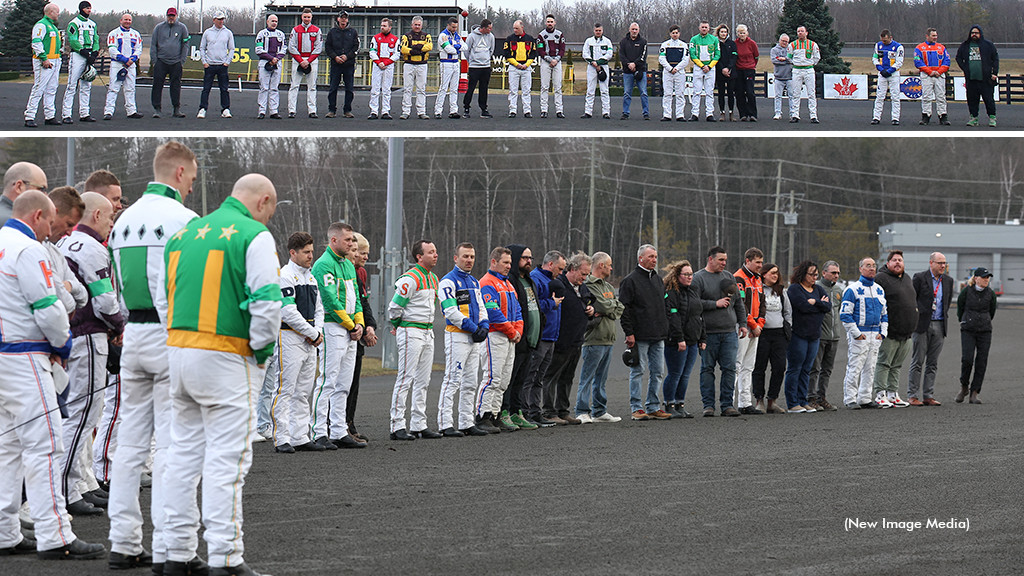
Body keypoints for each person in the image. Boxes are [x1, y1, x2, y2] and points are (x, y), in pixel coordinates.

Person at [161, 174, 280, 576]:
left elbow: (166, 296)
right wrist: (262, 352)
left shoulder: (185, 232)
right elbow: (267, 303)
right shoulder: (254, 235)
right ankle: (226, 558)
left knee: (181, 456)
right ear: (263, 202)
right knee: (227, 461)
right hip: (227, 357)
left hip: (179, 352)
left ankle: (176, 552)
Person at [106, 142, 200, 573]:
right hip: (168, 334)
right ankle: (170, 545)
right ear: (179, 174)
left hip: (133, 334)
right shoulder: (184, 221)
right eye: (194, 179)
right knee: (173, 444)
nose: (193, 187)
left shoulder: (121, 220)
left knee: (129, 443)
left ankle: (122, 542)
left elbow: (113, 286)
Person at [0, 190, 107, 560]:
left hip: (3, 356)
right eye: (49, 221)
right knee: (44, 447)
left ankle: (5, 531)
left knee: (7, 449)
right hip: (26, 355)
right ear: (38, 216)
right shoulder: (28, 250)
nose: (51, 230)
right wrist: (61, 347)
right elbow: (49, 308)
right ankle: (55, 534)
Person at [57, 192, 122, 517]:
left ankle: (81, 483)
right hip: (89, 333)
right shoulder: (91, 247)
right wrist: (120, 325)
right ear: (96, 215)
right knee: (84, 413)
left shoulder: (65, 244)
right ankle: (67, 487)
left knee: (81, 412)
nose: (112, 222)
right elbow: (106, 301)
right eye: (110, 216)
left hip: (74, 333)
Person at [267, 232, 324, 453]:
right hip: (289, 337)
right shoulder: (285, 275)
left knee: (303, 390)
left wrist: (316, 332)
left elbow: (319, 309)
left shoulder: (311, 277)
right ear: (293, 252)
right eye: (306, 252)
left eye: (312, 251)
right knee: (285, 389)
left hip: (310, 340)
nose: (311, 256)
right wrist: (312, 332)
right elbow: (287, 311)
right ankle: (281, 437)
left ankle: (300, 435)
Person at [310, 222, 365, 449]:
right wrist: (351, 325)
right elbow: (330, 301)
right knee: (328, 380)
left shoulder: (349, 266)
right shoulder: (323, 265)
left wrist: (359, 323)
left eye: (353, 240)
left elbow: (357, 299)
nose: (352, 244)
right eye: (348, 240)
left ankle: (339, 430)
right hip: (333, 328)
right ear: (334, 241)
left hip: (350, 329)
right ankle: (318, 431)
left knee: (344, 382)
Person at [388, 240, 441, 440]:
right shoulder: (410, 278)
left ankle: (419, 423)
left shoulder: (433, 278)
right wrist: (398, 324)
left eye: (435, 251)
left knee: (423, 380)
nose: (435, 255)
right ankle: (397, 424)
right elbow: (394, 308)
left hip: (427, 331)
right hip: (411, 330)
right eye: (431, 252)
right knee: (405, 378)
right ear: (419, 256)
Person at [437, 243, 489, 436]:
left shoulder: (475, 282)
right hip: (457, 335)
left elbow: (482, 306)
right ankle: (445, 423)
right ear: (455, 258)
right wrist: (473, 327)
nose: (469, 260)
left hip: (474, 338)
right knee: (453, 380)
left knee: (470, 382)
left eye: (472, 257)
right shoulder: (447, 281)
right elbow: (450, 311)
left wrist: (484, 326)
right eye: (465, 256)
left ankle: (467, 422)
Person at [620, 244, 673, 421]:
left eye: (655, 256)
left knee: (658, 372)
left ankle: (653, 406)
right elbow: (624, 309)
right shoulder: (630, 280)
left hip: (658, 335)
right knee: (638, 371)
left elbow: (665, 304)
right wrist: (629, 333)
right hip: (640, 335)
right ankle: (636, 408)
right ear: (640, 258)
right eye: (650, 256)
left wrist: (666, 325)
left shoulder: (658, 280)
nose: (654, 260)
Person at [693, 246, 747, 417]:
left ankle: (727, 405)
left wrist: (743, 323)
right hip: (708, 333)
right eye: (721, 260)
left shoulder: (729, 277)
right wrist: (714, 304)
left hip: (729, 332)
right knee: (707, 369)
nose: (724, 263)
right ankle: (708, 406)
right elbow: (693, 304)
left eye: (725, 260)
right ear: (710, 259)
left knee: (730, 369)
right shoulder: (698, 278)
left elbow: (738, 303)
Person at [476, 247, 523, 434]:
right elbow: (493, 312)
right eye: (505, 262)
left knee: (504, 380)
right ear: (493, 262)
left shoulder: (509, 284)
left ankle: (495, 415)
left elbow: (518, 310)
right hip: (495, 335)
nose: (508, 266)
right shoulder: (487, 283)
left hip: (510, 337)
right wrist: (512, 332)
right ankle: (482, 415)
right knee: (492, 378)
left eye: (510, 263)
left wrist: (517, 330)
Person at [542, 253, 594, 424]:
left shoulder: (582, 287)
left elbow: (588, 300)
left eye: (587, 275)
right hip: (561, 340)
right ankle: (549, 412)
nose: (584, 278)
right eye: (583, 274)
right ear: (572, 269)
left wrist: (591, 309)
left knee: (567, 377)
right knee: (552, 376)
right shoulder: (560, 285)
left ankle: (563, 410)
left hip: (577, 340)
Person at [577, 252, 624, 422]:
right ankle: (581, 411)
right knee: (587, 377)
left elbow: (619, 308)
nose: (612, 268)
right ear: (601, 265)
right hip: (594, 338)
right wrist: (608, 308)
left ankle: (599, 411)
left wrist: (607, 309)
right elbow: (602, 304)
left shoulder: (608, 287)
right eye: (609, 265)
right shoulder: (589, 284)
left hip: (608, 338)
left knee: (601, 379)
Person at [523, 250, 565, 425]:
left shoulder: (553, 280)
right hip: (540, 336)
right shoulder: (536, 279)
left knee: (540, 377)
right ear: (550, 264)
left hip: (551, 336)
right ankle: (525, 412)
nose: (561, 273)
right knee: (530, 375)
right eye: (560, 269)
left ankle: (535, 411)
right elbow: (532, 305)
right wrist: (551, 303)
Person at [840, 258, 888, 409]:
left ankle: (865, 398)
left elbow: (884, 314)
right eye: (868, 266)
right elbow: (845, 314)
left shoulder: (879, 289)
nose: (872, 268)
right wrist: (856, 333)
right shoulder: (852, 289)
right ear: (860, 268)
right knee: (855, 367)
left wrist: (883, 332)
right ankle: (850, 399)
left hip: (875, 334)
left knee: (871, 367)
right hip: (861, 334)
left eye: (874, 266)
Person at [784, 261, 831, 412]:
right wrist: (819, 306)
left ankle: (803, 400)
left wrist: (815, 302)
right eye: (811, 274)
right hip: (798, 335)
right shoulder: (795, 289)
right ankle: (792, 403)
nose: (814, 277)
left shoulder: (818, 289)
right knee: (795, 368)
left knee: (807, 369)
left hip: (814, 336)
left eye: (816, 275)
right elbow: (802, 307)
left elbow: (827, 307)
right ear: (803, 274)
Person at [907, 252, 952, 406]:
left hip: (940, 324)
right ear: (931, 263)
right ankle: (912, 395)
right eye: (940, 263)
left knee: (932, 363)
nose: (943, 266)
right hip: (922, 325)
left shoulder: (948, 281)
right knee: (918, 361)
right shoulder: (919, 278)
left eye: (944, 263)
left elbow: (947, 302)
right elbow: (912, 299)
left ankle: (928, 395)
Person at [872, 250, 915, 408]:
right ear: (888, 263)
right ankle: (880, 394)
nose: (898, 263)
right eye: (894, 260)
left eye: (900, 260)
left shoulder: (907, 278)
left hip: (906, 332)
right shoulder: (881, 278)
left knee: (897, 365)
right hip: (889, 332)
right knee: (884, 363)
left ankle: (892, 393)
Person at [503, 244, 540, 429]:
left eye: (531, 258)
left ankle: (517, 412)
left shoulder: (530, 280)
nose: (529, 261)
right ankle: (505, 411)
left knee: (521, 380)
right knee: (509, 379)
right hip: (517, 339)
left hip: (531, 341)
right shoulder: (511, 281)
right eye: (525, 258)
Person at [663, 260, 705, 418]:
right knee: (675, 373)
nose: (689, 277)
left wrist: (703, 337)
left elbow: (699, 316)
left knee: (685, 374)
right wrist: (679, 339)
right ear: (677, 276)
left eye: (691, 274)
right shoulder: (672, 293)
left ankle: (680, 404)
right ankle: (669, 404)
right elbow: (673, 317)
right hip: (677, 342)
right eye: (686, 274)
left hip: (693, 341)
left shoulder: (693, 291)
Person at [347, 233, 377, 441]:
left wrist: (370, 327)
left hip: (358, 329)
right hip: (345, 331)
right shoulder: (346, 271)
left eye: (365, 253)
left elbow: (363, 302)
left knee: (354, 383)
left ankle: (350, 422)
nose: (364, 257)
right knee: (342, 383)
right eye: (360, 252)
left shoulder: (361, 273)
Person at [752, 263, 789, 413]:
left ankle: (772, 400)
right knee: (759, 367)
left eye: (777, 273)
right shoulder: (758, 289)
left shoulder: (781, 291)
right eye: (772, 273)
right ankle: (759, 399)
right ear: (764, 274)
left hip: (779, 334)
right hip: (762, 334)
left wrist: (788, 328)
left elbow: (787, 312)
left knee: (780, 367)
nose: (775, 275)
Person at [45, 187, 88, 316]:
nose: (70, 233)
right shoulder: (34, 249)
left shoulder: (55, 252)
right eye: (69, 224)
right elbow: (66, 305)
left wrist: (70, 285)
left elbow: (84, 296)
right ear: (54, 213)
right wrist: (69, 306)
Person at [956, 267, 996, 404]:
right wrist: (966, 320)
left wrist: (983, 321)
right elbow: (960, 308)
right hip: (968, 329)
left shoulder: (991, 294)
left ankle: (975, 392)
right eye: (984, 277)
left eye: (988, 277)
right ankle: (964, 387)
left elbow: (992, 311)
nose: (986, 280)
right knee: (967, 359)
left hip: (985, 331)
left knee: (981, 361)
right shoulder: (966, 291)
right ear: (976, 278)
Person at [807, 260, 843, 411]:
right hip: (820, 335)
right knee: (814, 368)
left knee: (827, 370)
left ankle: (822, 397)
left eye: (838, 273)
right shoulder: (816, 288)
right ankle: (810, 398)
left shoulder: (839, 291)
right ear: (824, 273)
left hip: (834, 336)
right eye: (833, 272)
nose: (836, 275)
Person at [733, 248, 765, 414]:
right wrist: (752, 324)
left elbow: (762, 303)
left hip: (756, 328)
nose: (760, 265)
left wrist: (760, 323)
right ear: (747, 261)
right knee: (737, 365)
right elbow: (741, 304)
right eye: (757, 262)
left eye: (761, 262)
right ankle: (729, 403)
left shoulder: (758, 279)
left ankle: (745, 403)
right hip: (743, 327)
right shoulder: (739, 277)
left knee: (749, 366)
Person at [24, 3, 63, 128]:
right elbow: (36, 42)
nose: (58, 14)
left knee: (52, 89)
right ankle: (29, 116)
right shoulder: (41, 25)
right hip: (45, 61)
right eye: (57, 12)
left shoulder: (52, 26)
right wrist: (44, 58)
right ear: (50, 12)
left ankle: (50, 116)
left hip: (55, 60)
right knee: (39, 88)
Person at [61, 1, 99, 124]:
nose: (89, 10)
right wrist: (82, 51)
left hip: (88, 55)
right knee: (72, 85)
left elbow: (96, 39)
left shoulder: (93, 24)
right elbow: (73, 40)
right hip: (78, 55)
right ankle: (66, 114)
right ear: (82, 9)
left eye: (90, 8)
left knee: (86, 85)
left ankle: (84, 113)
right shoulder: (73, 23)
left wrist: (94, 53)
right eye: (87, 8)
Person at [149, 7, 190, 119]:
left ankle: (176, 109)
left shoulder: (182, 28)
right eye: (169, 16)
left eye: (173, 16)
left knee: (176, 86)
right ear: (166, 16)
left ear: (176, 16)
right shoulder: (159, 28)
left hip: (176, 62)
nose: (171, 18)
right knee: (157, 85)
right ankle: (157, 109)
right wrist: (155, 61)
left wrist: (182, 60)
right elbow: (153, 45)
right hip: (161, 61)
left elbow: (185, 44)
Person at [102, 13, 143, 121]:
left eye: (129, 20)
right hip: (117, 64)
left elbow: (139, 49)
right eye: (125, 19)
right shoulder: (114, 34)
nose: (127, 22)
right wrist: (124, 59)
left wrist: (132, 59)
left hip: (131, 65)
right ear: (121, 20)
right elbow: (112, 49)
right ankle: (108, 111)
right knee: (113, 88)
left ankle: (131, 111)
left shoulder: (136, 34)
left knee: (130, 88)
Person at [955, 25, 998, 127]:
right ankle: (974, 118)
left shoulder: (988, 45)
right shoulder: (965, 45)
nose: (974, 35)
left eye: (976, 33)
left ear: (980, 34)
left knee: (988, 99)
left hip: (986, 79)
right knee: (972, 100)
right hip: (971, 79)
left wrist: (994, 73)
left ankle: (992, 118)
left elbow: (995, 59)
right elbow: (958, 58)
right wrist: (965, 68)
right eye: (972, 33)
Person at [197, 12, 234, 119]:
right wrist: (204, 62)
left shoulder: (228, 33)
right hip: (210, 65)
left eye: (222, 19)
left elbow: (231, 48)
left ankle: (225, 109)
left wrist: (227, 62)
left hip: (222, 65)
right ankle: (202, 109)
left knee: (224, 89)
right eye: (219, 19)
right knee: (206, 88)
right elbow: (202, 48)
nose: (221, 21)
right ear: (214, 20)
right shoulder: (207, 32)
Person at [288, 8, 323, 119]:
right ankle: (292, 110)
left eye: (308, 17)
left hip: (311, 60)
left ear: (311, 17)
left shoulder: (317, 30)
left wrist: (308, 60)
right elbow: (291, 46)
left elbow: (318, 47)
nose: (306, 19)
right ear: (301, 17)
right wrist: (300, 60)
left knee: (312, 86)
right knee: (294, 86)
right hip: (297, 60)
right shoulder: (295, 30)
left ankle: (312, 110)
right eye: (305, 17)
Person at [324, 11, 359, 119]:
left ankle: (347, 110)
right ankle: (331, 110)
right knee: (333, 88)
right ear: (338, 19)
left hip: (348, 64)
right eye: (342, 18)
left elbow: (356, 47)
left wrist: (347, 56)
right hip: (336, 64)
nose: (343, 20)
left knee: (349, 88)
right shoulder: (332, 32)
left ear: (347, 20)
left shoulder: (353, 32)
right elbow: (328, 47)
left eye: (345, 18)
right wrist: (335, 57)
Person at [914, 28, 950, 125]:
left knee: (941, 96)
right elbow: (918, 62)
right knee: (926, 97)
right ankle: (926, 116)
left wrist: (939, 71)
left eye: (936, 35)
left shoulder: (941, 47)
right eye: (933, 36)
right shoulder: (920, 48)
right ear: (927, 36)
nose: (935, 37)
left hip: (939, 75)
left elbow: (947, 61)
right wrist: (929, 72)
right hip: (927, 75)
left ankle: (943, 116)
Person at [400, 16, 432, 120]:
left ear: (422, 25)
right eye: (415, 24)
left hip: (422, 65)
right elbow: (403, 49)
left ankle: (421, 111)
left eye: (419, 25)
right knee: (407, 88)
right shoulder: (406, 36)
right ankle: (406, 111)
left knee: (421, 89)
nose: (417, 27)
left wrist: (415, 48)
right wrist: (414, 51)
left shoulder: (426, 36)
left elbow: (429, 47)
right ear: (412, 25)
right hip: (409, 64)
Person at [255, 14, 286, 120]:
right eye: (272, 21)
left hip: (277, 63)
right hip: (264, 63)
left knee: (274, 88)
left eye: (276, 21)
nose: (274, 23)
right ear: (267, 22)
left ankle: (274, 111)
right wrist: (270, 58)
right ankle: (262, 111)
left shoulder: (280, 34)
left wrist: (276, 58)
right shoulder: (261, 34)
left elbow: (284, 49)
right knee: (264, 87)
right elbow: (258, 49)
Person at [504, 20, 538, 118]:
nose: (515, 30)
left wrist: (526, 64)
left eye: (517, 28)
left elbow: (533, 54)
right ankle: (512, 110)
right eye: (514, 28)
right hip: (514, 68)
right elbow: (507, 53)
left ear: (522, 28)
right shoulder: (509, 39)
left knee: (526, 90)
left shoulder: (530, 39)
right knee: (513, 90)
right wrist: (516, 64)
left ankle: (527, 111)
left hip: (526, 68)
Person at [463, 19, 495, 118]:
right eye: (489, 28)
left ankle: (483, 109)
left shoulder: (491, 37)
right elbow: (466, 50)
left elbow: (491, 50)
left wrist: (486, 59)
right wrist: (472, 61)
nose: (490, 30)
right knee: (471, 88)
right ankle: (466, 107)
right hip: (474, 67)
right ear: (484, 28)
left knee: (484, 88)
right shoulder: (471, 36)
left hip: (485, 66)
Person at [368, 18, 399, 120]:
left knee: (387, 89)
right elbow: (372, 51)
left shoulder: (395, 39)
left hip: (388, 66)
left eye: (384, 26)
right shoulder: (376, 38)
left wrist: (386, 62)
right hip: (377, 66)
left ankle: (385, 111)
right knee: (375, 88)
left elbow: (397, 54)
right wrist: (378, 62)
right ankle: (374, 111)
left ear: (390, 27)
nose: (382, 27)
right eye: (381, 25)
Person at [581, 23, 613, 119]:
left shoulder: (607, 41)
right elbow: (585, 54)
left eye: (599, 30)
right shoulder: (588, 41)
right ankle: (588, 111)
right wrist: (593, 63)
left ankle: (606, 112)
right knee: (590, 90)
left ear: (602, 31)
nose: (598, 32)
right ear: (594, 31)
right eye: (596, 30)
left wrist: (598, 62)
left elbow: (609, 54)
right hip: (591, 67)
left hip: (603, 66)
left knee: (604, 90)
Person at [871, 30, 904, 125]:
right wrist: (881, 69)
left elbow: (899, 62)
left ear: (890, 37)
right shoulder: (878, 45)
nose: (883, 42)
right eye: (882, 40)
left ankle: (895, 118)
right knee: (880, 96)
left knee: (895, 96)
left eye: (885, 40)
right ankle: (876, 117)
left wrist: (890, 71)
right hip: (882, 73)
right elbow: (875, 58)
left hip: (893, 74)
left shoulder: (898, 47)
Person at [536, 15, 566, 118]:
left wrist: (556, 59)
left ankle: (559, 110)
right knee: (544, 87)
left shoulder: (560, 34)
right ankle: (544, 110)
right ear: (545, 23)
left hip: (557, 62)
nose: (550, 23)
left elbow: (562, 49)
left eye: (551, 21)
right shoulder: (541, 35)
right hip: (546, 62)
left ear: (555, 23)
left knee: (558, 87)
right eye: (548, 21)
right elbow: (540, 50)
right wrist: (549, 59)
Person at [788, 26, 820, 123]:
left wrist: (809, 64)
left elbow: (817, 57)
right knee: (796, 93)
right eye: (798, 31)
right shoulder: (793, 44)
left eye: (802, 31)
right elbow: (789, 57)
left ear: (806, 33)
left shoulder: (813, 44)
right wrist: (796, 64)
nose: (800, 33)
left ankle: (813, 116)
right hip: (797, 70)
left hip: (809, 70)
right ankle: (795, 115)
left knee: (811, 93)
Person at [690, 21, 720, 122]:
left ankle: (709, 114)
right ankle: (695, 113)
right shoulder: (694, 39)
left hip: (710, 68)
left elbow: (717, 54)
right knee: (696, 91)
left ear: (709, 28)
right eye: (702, 27)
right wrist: (702, 66)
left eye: (706, 27)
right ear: (699, 28)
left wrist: (710, 66)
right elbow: (692, 54)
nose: (704, 29)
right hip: (699, 67)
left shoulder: (714, 39)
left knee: (709, 92)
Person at [619, 22, 649, 120]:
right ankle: (625, 113)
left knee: (643, 93)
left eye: (636, 29)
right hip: (628, 71)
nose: (634, 31)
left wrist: (635, 64)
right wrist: (629, 64)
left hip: (640, 71)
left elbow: (643, 57)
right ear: (629, 30)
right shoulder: (623, 42)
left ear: (638, 30)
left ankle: (646, 113)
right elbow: (622, 56)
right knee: (627, 93)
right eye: (633, 29)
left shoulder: (643, 42)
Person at [659, 25, 689, 121]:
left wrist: (677, 68)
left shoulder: (684, 45)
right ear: (670, 34)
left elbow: (686, 59)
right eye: (673, 33)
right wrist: (670, 68)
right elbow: (661, 58)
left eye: (676, 33)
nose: (675, 35)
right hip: (668, 72)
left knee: (680, 94)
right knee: (667, 93)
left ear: (679, 33)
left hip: (679, 72)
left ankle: (680, 115)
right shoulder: (665, 45)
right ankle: (667, 114)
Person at [435, 17, 462, 119]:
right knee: (444, 87)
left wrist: (456, 47)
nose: (455, 29)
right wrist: (457, 48)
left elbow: (465, 46)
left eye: (456, 27)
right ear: (449, 25)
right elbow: (448, 49)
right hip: (446, 63)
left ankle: (453, 110)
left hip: (456, 63)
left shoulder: (457, 36)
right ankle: (438, 110)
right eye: (453, 27)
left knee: (454, 88)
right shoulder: (443, 35)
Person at [733, 24, 759, 121]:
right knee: (739, 92)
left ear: (747, 33)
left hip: (749, 70)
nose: (742, 34)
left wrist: (752, 65)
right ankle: (743, 114)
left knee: (749, 92)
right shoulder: (735, 43)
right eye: (740, 33)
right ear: (737, 34)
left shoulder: (752, 43)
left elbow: (756, 56)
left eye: (743, 33)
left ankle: (752, 114)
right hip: (739, 70)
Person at [712, 24, 734, 122]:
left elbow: (734, 57)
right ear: (718, 33)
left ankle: (731, 112)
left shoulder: (732, 43)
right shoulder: (715, 43)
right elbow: (717, 57)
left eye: (725, 32)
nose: (723, 34)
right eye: (722, 32)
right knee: (721, 93)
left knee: (730, 93)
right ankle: (722, 112)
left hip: (731, 72)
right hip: (720, 72)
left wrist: (728, 68)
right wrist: (722, 69)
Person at [771, 34, 793, 121]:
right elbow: (774, 60)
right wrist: (786, 60)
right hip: (778, 76)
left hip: (790, 76)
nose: (785, 43)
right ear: (779, 40)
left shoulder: (790, 50)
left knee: (792, 96)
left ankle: (792, 113)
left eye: (786, 41)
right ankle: (777, 112)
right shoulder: (774, 50)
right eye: (783, 41)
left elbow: (793, 60)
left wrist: (784, 59)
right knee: (778, 96)